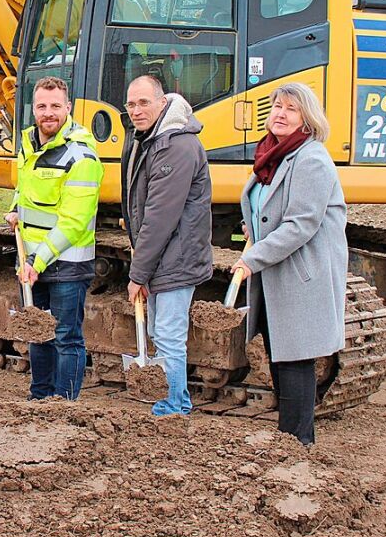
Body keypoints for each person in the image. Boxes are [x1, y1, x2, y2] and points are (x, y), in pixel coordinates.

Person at [232, 83, 346, 446]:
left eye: (290, 109)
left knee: (295, 361)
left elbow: (301, 224)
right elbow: (264, 209)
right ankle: (289, 443)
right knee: (279, 357)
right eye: (277, 106)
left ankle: (298, 446)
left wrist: (251, 258)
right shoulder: (274, 156)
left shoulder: (310, 158)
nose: (279, 114)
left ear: (307, 119)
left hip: (300, 275)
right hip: (275, 274)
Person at [121, 74, 212, 416]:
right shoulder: (151, 139)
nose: (136, 110)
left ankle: (172, 408)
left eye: (144, 102)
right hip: (164, 257)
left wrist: (137, 274)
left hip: (176, 257)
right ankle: (171, 403)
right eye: (131, 104)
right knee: (162, 335)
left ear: (163, 102)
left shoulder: (175, 144)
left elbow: (160, 217)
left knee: (169, 337)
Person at [6, 77, 103, 400]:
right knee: (38, 333)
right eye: (42, 106)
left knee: (65, 337)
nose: (49, 113)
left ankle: (63, 403)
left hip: (67, 264)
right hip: (33, 260)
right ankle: (39, 398)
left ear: (68, 108)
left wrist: (37, 260)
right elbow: (28, 189)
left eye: (55, 106)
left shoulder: (81, 157)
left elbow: (75, 221)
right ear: (33, 109)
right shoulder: (29, 145)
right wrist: (15, 209)